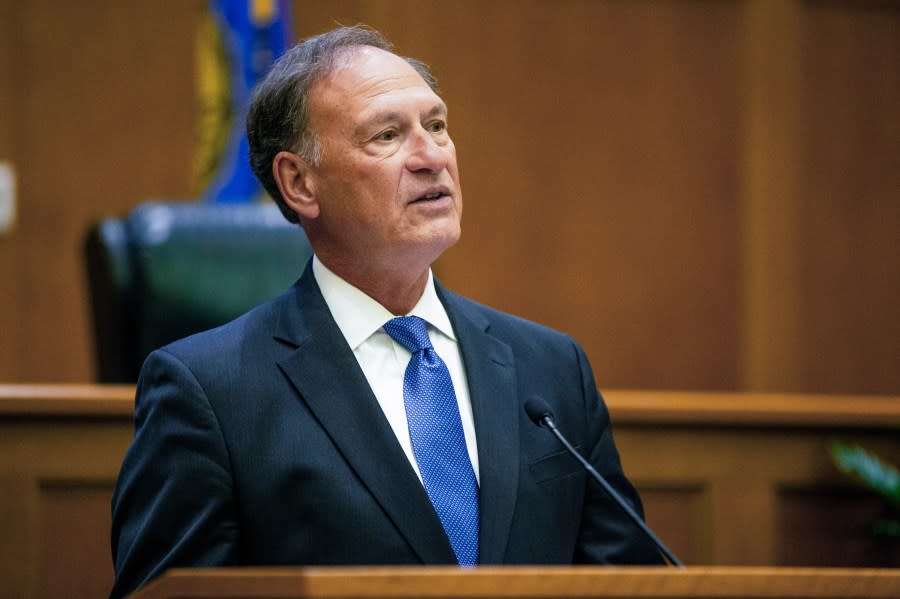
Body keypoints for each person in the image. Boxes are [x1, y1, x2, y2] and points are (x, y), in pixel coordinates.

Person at [109, 25, 663, 599]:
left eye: (438, 125)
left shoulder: (551, 370)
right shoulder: (209, 392)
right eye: (387, 135)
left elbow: (630, 583)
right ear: (299, 182)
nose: (431, 157)